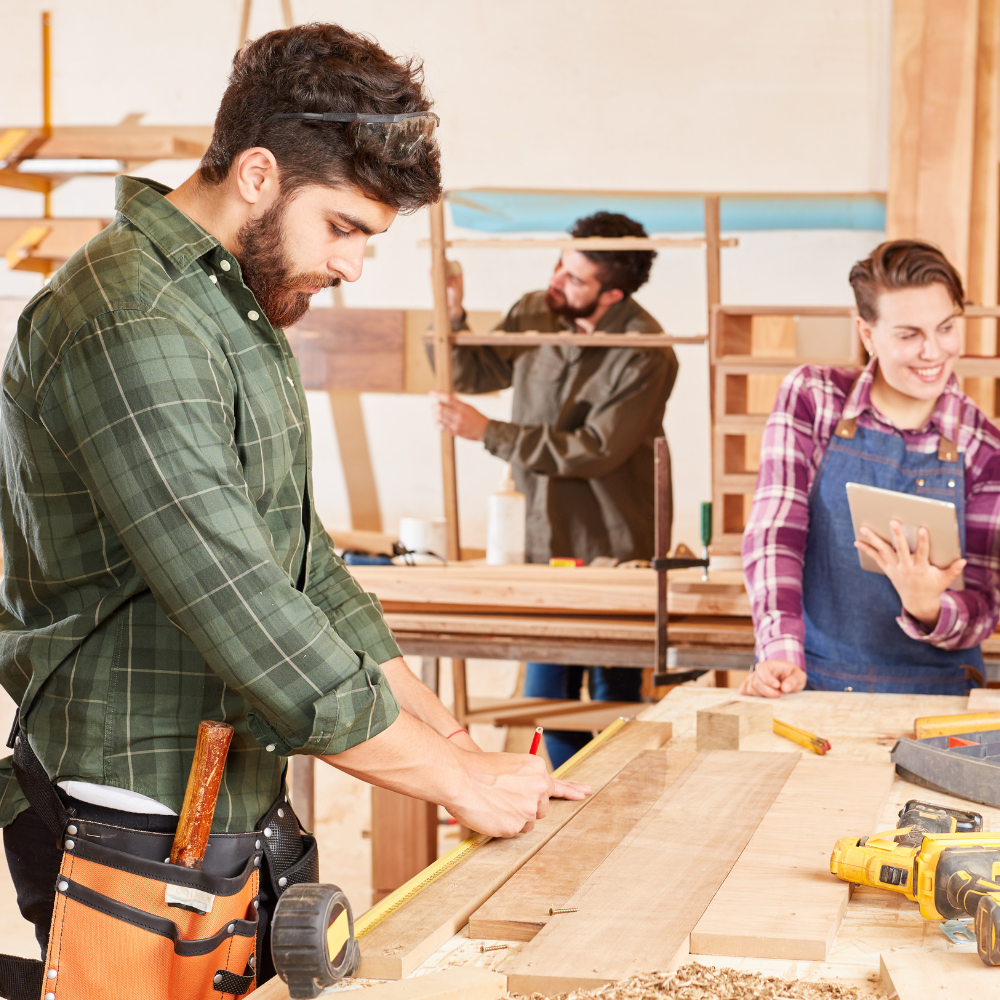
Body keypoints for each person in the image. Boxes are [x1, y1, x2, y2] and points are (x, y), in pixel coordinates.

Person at [0, 23, 587, 981]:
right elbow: (241, 601)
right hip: (135, 793)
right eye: (345, 227)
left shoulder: (230, 304)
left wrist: (454, 743)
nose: (353, 265)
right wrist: (449, 783)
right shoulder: (128, 317)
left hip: (223, 776)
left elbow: (300, 564)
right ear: (260, 175)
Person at [430, 212, 678, 766]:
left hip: (611, 542)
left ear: (612, 293)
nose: (556, 283)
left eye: (576, 279)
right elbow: (474, 373)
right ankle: (562, 813)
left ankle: (615, 813)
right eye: (560, 266)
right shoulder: (537, 310)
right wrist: (450, 316)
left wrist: (487, 431)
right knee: (548, 699)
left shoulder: (648, 352)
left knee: (616, 699)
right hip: (539, 537)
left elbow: (594, 449)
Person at [741, 239, 1000, 698]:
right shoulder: (813, 399)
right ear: (867, 335)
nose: (933, 352)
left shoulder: (982, 446)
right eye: (908, 334)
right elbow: (776, 533)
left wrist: (929, 607)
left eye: (945, 328)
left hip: (939, 698)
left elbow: (988, 603)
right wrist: (780, 648)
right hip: (815, 681)